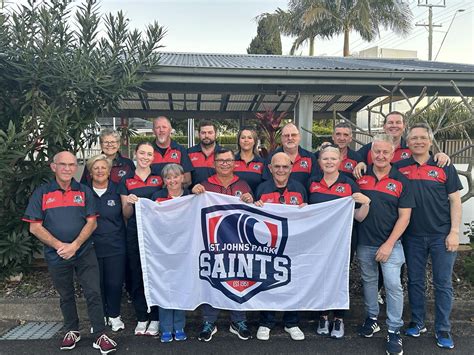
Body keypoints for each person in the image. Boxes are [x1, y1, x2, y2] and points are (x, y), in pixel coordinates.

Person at [22, 151, 117, 354]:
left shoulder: (84, 191)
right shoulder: (42, 193)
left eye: (71, 164)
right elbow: (35, 227)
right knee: (66, 295)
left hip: (84, 251)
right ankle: (72, 330)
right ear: (53, 167)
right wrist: (60, 246)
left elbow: (92, 222)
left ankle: (100, 333)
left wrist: (74, 245)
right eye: (62, 164)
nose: (67, 168)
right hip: (56, 254)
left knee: (93, 293)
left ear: (76, 167)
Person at [395, 123, 462, 349]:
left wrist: (454, 232)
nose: (418, 142)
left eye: (423, 138)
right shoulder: (400, 167)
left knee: (443, 284)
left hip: (441, 235)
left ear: (430, 142)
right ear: (408, 142)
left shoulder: (444, 165)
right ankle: (417, 322)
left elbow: (455, 200)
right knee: (414, 281)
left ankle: (443, 329)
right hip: (412, 236)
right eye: (414, 138)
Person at [356, 135, 415, 355]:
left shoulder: (401, 180)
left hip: (391, 245)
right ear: (371, 152)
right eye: (377, 152)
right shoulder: (360, 177)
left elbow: (405, 217)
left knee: (392, 287)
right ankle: (372, 319)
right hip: (364, 243)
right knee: (369, 283)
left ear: (392, 154)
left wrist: (389, 244)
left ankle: (393, 330)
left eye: (385, 152)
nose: (380, 156)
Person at [308, 146, 370, 339]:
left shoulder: (349, 184)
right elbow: (305, 210)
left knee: (340, 276)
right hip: (318, 240)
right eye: (325, 159)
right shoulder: (312, 182)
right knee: (321, 275)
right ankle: (323, 315)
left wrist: (367, 203)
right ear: (319, 162)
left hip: (343, 239)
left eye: (333, 159)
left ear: (340, 161)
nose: (329, 162)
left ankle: (339, 318)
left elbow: (359, 217)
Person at [192, 149, 254, 342]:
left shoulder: (243, 185)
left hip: (238, 244)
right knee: (213, 279)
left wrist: (250, 200)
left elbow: (254, 215)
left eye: (228, 160)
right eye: (221, 160)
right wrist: (194, 193)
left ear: (234, 162)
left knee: (238, 280)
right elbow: (193, 211)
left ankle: (238, 320)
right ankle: (209, 321)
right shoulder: (205, 185)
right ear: (214, 163)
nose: (225, 164)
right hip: (212, 244)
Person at [254, 152, 307, 341]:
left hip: (294, 245)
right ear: (270, 168)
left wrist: (306, 209)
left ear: (291, 168)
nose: (281, 170)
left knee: (293, 283)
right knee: (267, 282)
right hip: (269, 247)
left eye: (285, 166)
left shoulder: (300, 189)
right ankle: (266, 322)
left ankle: (291, 322)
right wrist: (256, 206)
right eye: (277, 166)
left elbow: (309, 218)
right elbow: (251, 217)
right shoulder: (261, 188)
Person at [118, 142, 163, 336]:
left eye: (149, 154)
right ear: (135, 154)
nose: (145, 157)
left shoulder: (159, 178)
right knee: (137, 274)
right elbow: (126, 214)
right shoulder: (126, 180)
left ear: (154, 157)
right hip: (135, 232)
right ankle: (141, 317)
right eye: (142, 153)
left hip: (158, 234)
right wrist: (129, 202)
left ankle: (155, 318)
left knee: (156, 275)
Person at [151, 163, 190, 343]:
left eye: (176, 176)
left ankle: (179, 325)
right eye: (168, 177)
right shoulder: (156, 197)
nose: (172, 180)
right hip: (163, 250)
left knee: (180, 287)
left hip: (184, 250)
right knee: (164, 286)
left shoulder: (192, 197)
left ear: (182, 178)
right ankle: (166, 327)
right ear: (164, 181)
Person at [86, 154, 126, 333]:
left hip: (115, 245)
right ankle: (99, 317)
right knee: (96, 284)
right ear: (90, 172)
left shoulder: (118, 189)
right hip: (90, 246)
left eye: (103, 168)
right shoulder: (83, 191)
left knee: (114, 283)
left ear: (110, 172)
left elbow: (126, 215)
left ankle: (115, 315)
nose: (100, 171)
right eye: (96, 168)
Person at [353, 111, 450, 178]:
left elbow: (427, 158)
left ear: (404, 126)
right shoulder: (371, 147)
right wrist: (361, 163)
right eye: (390, 122)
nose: (394, 125)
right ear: (384, 126)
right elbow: (353, 159)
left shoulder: (412, 147)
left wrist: (440, 155)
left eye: (398, 122)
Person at [151, 116, 193, 186]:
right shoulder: (148, 151)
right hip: (153, 195)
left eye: (164, 127)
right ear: (153, 131)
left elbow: (187, 179)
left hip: (175, 195)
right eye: (157, 127)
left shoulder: (180, 150)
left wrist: (169, 185)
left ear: (170, 130)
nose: (161, 130)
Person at [187, 120, 222, 185]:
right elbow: (185, 179)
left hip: (217, 194)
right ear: (198, 134)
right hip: (194, 194)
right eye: (203, 133)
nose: (206, 136)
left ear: (216, 134)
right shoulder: (189, 153)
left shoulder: (224, 153)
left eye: (210, 133)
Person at [233, 128, 265, 194]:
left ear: (254, 142)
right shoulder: (231, 161)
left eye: (250, 138)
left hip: (255, 202)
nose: (246, 140)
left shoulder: (262, 163)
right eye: (243, 137)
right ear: (239, 141)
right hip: (234, 202)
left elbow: (265, 186)